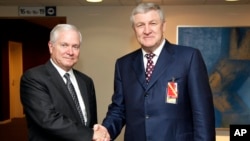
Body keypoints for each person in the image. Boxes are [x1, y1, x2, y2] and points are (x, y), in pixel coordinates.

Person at [101, 2, 215, 141]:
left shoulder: (189, 57)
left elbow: (202, 114)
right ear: (134, 29)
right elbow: (119, 109)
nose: (147, 30)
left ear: (163, 25)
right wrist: (106, 130)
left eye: (153, 23)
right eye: (140, 25)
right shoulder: (123, 64)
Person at [20, 24, 110, 141]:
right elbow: (48, 119)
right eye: (64, 45)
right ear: (51, 47)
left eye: (75, 46)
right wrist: (91, 134)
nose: (70, 52)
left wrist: (96, 134)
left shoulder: (86, 81)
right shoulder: (34, 78)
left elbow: (91, 122)